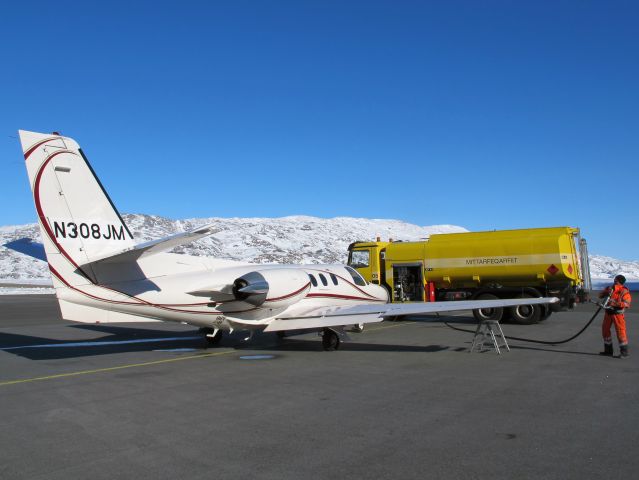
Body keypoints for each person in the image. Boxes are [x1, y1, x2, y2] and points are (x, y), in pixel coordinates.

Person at [599, 275, 632, 358]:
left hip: (618, 314)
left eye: (616, 280)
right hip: (608, 313)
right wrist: (606, 292)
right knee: (605, 330)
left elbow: (626, 304)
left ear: (619, 282)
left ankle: (624, 352)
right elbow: (600, 295)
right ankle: (608, 351)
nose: (614, 282)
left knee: (620, 332)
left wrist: (615, 303)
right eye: (614, 280)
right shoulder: (610, 289)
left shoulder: (624, 291)